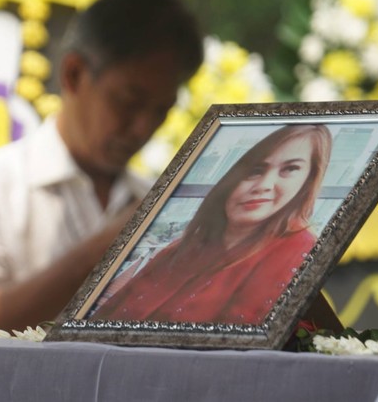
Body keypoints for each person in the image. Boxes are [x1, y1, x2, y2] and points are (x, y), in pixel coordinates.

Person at [0, 0, 204, 332]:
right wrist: (109, 249)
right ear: (74, 74)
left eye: (161, 111)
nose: (142, 127)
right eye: (128, 101)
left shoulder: (155, 206)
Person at [90, 124, 333, 325]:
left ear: (307, 182)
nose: (264, 185)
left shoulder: (298, 252)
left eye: (290, 169)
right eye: (256, 170)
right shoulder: (182, 248)